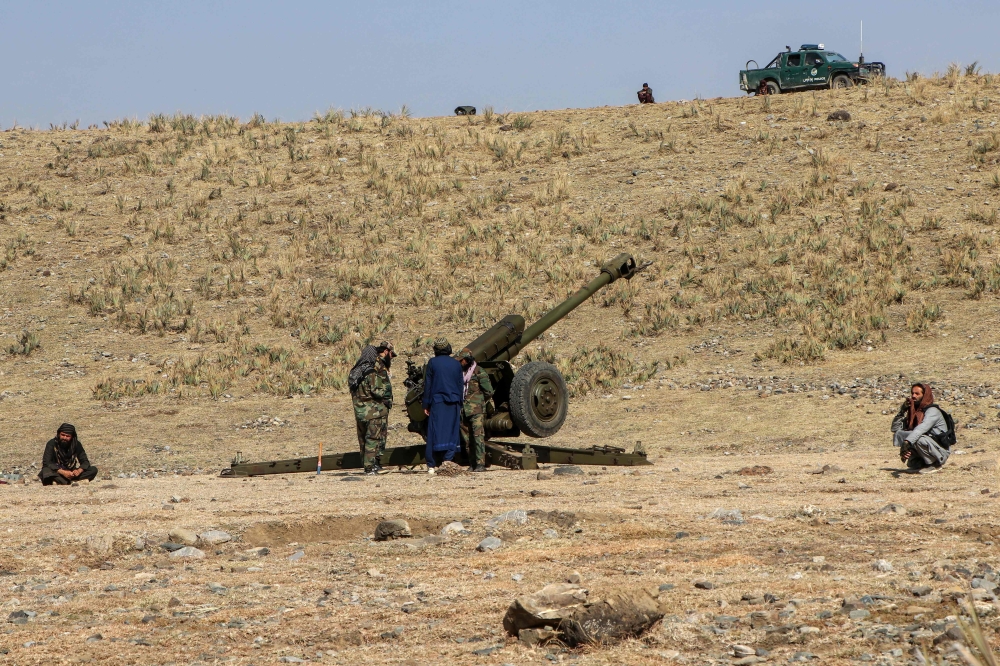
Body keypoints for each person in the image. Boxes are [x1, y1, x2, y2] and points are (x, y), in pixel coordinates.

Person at [350, 341, 396, 475]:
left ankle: (367, 465)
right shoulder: (371, 372)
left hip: (359, 411)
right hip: (373, 411)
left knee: (363, 440)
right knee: (372, 439)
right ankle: (370, 468)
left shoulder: (355, 372)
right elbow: (377, 391)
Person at [422, 338, 464, 474]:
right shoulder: (456, 364)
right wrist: (460, 402)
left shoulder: (433, 363)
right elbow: (460, 385)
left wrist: (426, 404)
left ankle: (431, 464)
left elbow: (428, 385)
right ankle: (448, 460)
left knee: (434, 431)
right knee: (452, 431)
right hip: (454, 401)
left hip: (438, 401)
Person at [891, 383, 950, 474]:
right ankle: (919, 463)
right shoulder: (914, 412)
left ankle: (934, 464)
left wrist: (907, 442)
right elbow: (895, 429)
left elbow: (921, 429)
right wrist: (902, 411)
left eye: (917, 394)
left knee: (916, 437)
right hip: (926, 444)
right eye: (912, 393)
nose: (913, 396)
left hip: (939, 451)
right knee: (901, 434)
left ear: (924, 396)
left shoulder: (932, 411)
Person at [458, 348, 494, 472]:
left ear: (467, 360)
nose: (460, 362)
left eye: (461, 360)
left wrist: (478, 401)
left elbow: (488, 391)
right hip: (463, 410)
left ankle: (480, 464)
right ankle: (472, 463)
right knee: (467, 439)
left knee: (478, 437)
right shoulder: (460, 373)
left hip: (476, 410)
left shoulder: (479, 372)